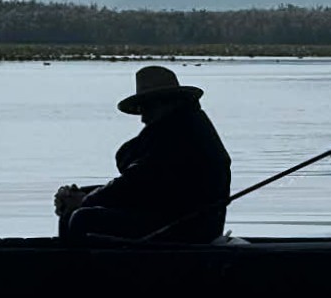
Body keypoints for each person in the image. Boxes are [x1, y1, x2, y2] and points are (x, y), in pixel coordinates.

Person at [55, 65, 232, 243]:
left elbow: (136, 180)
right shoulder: (177, 127)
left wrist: (86, 200)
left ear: (168, 102)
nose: (143, 118)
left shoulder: (181, 134)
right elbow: (136, 176)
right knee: (74, 209)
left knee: (81, 218)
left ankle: (75, 268)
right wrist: (82, 195)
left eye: (147, 108)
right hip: (167, 213)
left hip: (187, 228)